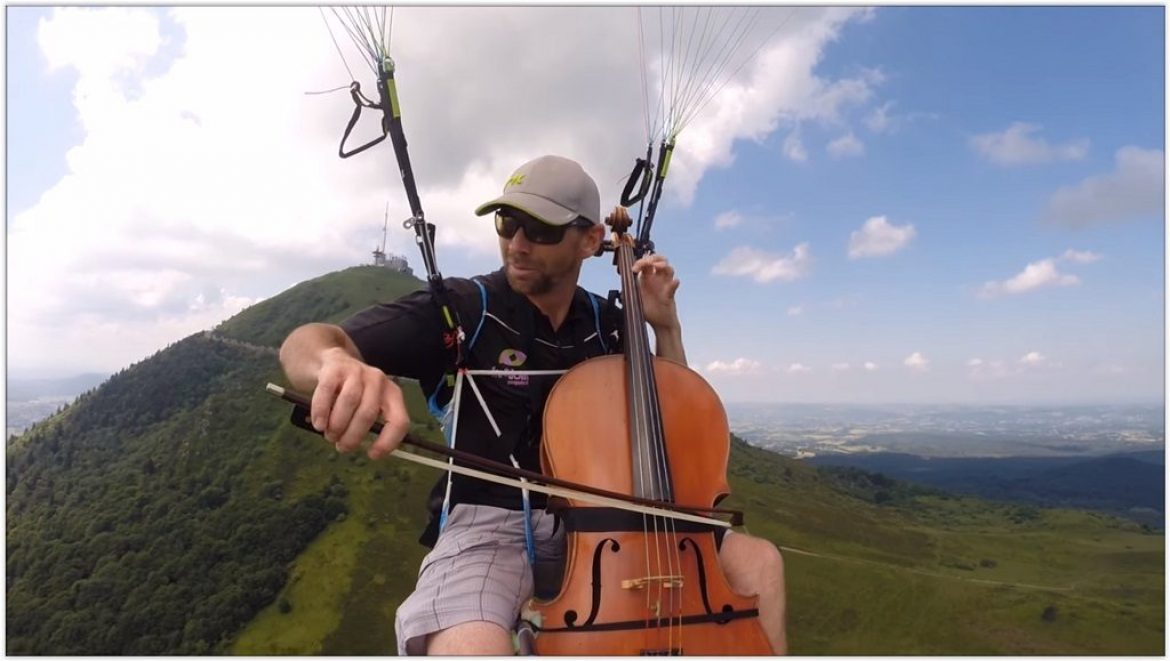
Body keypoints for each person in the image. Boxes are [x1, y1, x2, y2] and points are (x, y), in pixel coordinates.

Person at [278, 154, 788, 655]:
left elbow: (678, 418)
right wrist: (333, 364)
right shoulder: (465, 308)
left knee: (760, 562)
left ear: (590, 241)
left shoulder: (610, 323)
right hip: (488, 524)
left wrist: (664, 328)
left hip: (609, 522)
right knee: (471, 647)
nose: (516, 245)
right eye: (507, 223)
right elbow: (308, 341)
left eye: (540, 230)